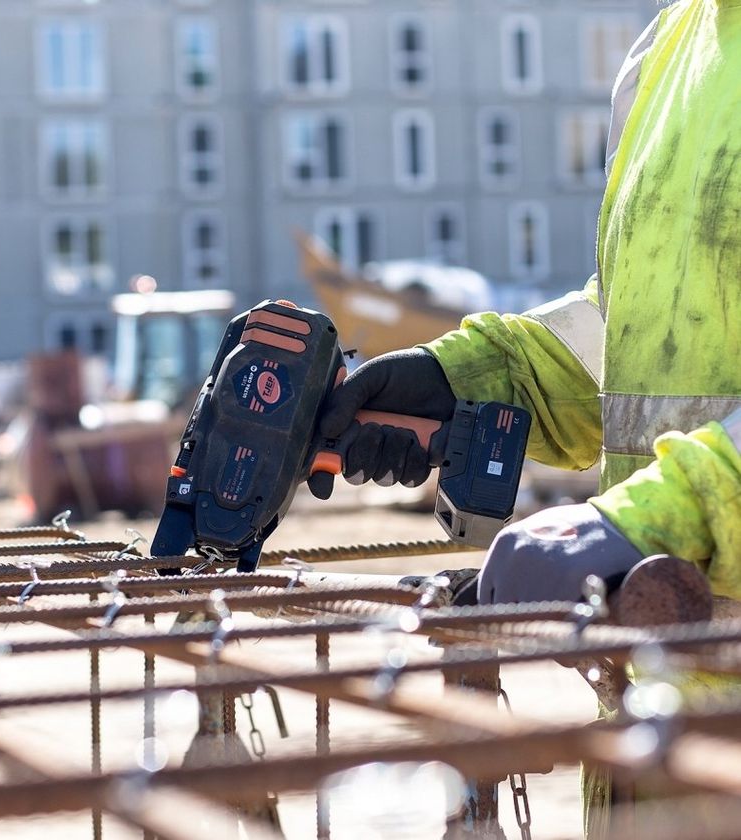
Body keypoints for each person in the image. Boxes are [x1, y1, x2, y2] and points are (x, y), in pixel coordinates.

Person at [312, 1, 741, 834]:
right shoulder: (669, 46)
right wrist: (473, 377)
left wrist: (661, 515)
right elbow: (638, 328)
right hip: (662, 723)